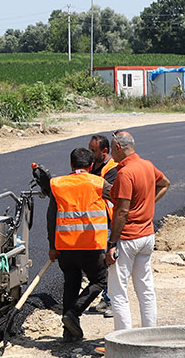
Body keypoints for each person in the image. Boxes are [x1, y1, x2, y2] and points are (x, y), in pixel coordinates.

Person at [34, 148, 109, 342]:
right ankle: (73, 313)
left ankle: (69, 333)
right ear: (91, 166)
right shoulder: (98, 183)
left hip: (65, 247)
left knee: (71, 284)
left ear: (71, 164)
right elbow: (120, 200)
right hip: (90, 246)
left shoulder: (57, 184)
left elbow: (51, 218)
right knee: (101, 280)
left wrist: (52, 246)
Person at [101, 130, 170, 331]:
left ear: (118, 147)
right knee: (145, 289)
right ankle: (150, 334)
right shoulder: (147, 165)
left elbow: (121, 212)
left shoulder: (125, 173)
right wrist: (147, 204)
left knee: (118, 291)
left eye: (113, 149)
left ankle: (123, 340)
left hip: (128, 238)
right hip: (147, 236)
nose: (112, 154)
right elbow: (165, 183)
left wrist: (112, 244)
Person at [87, 134, 117, 314]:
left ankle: (112, 301)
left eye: (93, 151)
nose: (90, 154)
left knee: (111, 263)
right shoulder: (92, 166)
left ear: (104, 151)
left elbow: (105, 192)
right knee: (101, 264)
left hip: (108, 222)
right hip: (95, 222)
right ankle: (106, 298)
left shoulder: (112, 169)